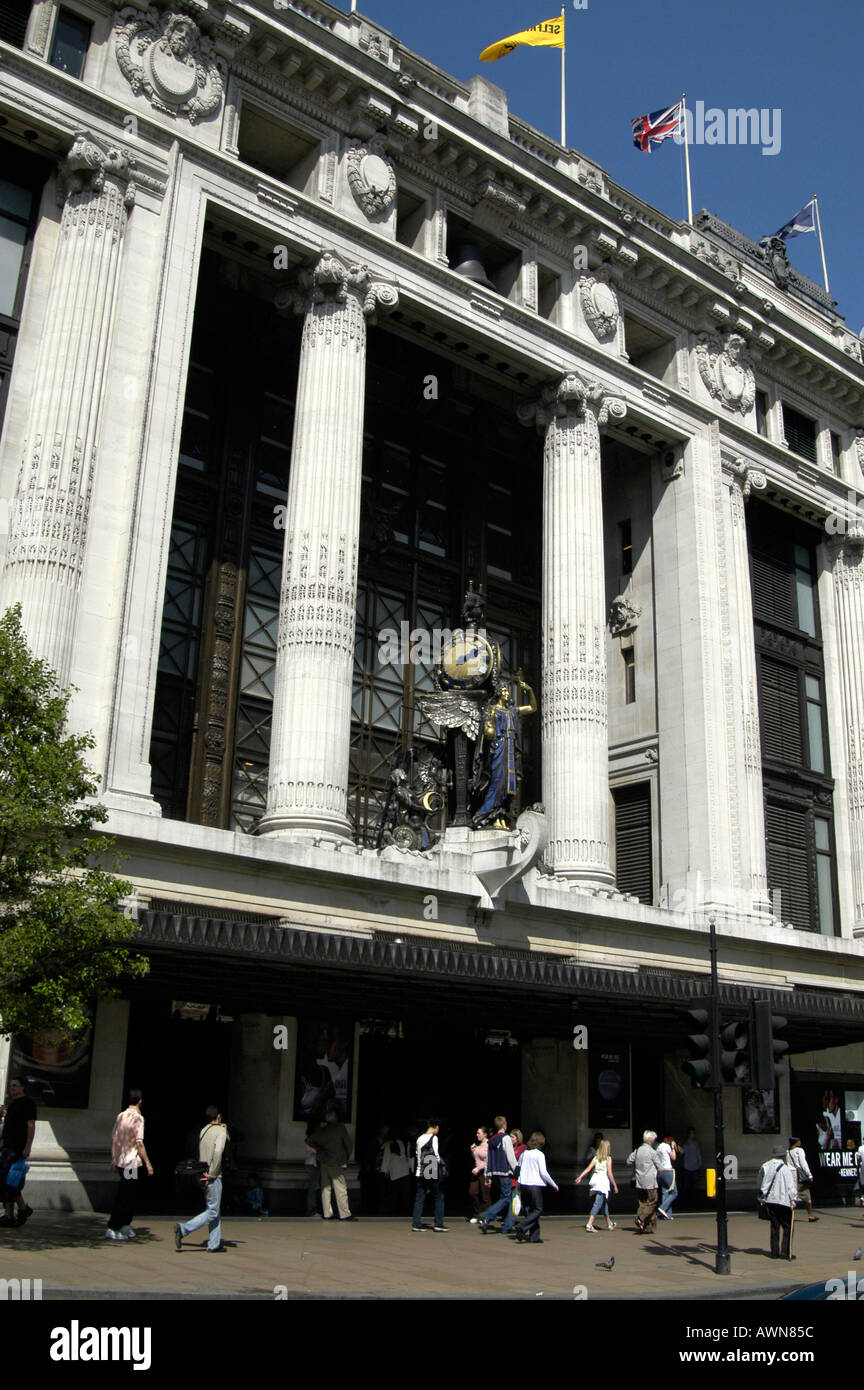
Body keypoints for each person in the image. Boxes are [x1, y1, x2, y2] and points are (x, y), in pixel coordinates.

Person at [106, 1088, 153, 1242]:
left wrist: (113, 1159)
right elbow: (139, 1143)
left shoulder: (121, 1116)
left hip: (121, 1160)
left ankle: (125, 1224)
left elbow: (114, 1138)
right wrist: (147, 1163)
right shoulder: (138, 1118)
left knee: (128, 1192)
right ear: (140, 1101)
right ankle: (114, 1226)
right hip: (131, 1162)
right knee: (126, 1194)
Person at [307, 1106, 356, 1221]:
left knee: (325, 1188)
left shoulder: (323, 1130)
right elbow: (349, 1145)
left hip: (324, 1162)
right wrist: (345, 1157)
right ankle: (344, 1213)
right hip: (337, 1162)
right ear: (334, 1117)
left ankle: (327, 1213)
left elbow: (309, 1140)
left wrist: (320, 1152)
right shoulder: (340, 1128)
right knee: (340, 1187)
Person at [0, 1078, 36, 1228]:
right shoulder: (12, 1104)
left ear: (22, 1087)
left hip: (17, 1148)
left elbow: (31, 1126)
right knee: (6, 1181)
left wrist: (28, 1146)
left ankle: (18, 1210)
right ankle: (14, 1212)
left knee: (10, 1180)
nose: (12, 1088)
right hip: (7, 1146)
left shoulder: (27, 1103)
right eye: (10, 1086)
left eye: (15, 1085)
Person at [510, 1132, 558, 1244]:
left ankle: (534, 1236)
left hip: (524, 1184)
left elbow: (518, 1169)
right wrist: (553, 1184)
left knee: (530, 1210)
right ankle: (522, 1226)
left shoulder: (524, 1154)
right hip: (535, 1185)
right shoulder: (539, 1155)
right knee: (538, 1209)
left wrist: (517, 1185)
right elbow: (544, 1172)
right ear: (541, 1143)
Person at [478, 1114, 517, 1234]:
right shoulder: (505, 1138)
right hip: (505, 1172)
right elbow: (510, 1157)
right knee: (506, 1198)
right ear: (504, 1125)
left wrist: (487, 1174)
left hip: (495, 1173)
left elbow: (489, 1159)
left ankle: (507, 1225)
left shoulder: (491, 1140)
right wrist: (517, 1170)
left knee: (506, 1197)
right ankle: (487, 1215)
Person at [759, 1150, 797, 1260]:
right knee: (788, 1227)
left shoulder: (765, 1166)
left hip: (771, 1200)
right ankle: (785, 1252)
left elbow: (760, 1181)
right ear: (783, 1156)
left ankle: (774, 1252)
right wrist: (793, 1201)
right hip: (783, 1201)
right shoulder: (785, 1169)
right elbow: (790, 1187)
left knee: (774, 1227)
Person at [411, 1119, 448, 1232]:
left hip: (420, 1172)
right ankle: (438, 1223)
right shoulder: (434, 1138)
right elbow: (436, 1155)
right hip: (432, 1172)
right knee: (439, 1196)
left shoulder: (419, 1139)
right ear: (435, 1127)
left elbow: (418, 1155)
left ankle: (416, 1224)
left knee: (419, 1198)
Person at [576, 1138, 618, 1231]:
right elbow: (610, 1173)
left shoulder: (596, 1158)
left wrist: (580, 1176)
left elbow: (588, 1169)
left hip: (596, 1179)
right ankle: (589, 1224)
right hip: (603, 1181)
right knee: (598, 1202)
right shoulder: (608, 1159)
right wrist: (615, 1185)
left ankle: (609, 1223)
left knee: (603, 1203)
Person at [627, 1130, 664, 1234]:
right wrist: (658, 1176)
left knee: (642, 1203)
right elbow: (660, 1168)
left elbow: (628, 1161)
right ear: (651, 1141)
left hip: (639, 1182)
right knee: (652, 1202)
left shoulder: (638, 1150)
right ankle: (641, 1218)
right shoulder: (652, 1152)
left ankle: (646, 1226)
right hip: (650, 1182)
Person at [785, 1137, 817, 1222]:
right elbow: (803, 1163)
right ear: (796, 1142)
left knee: (792, 1195)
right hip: (799, 1175)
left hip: (790, 1174)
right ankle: (810, 1215)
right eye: (799, 1141)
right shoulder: (799, 1150)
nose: (800, 1142)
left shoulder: (787, 1152)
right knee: (806, 1195)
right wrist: (809, 1175)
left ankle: (790, 1215)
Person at [468, 1125, 490, 1223]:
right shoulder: (479, 1145)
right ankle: (477, 1214)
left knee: (485, 1195)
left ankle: (485, 1216)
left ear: (485, 1134)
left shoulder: (488, 1145)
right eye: (477, 1133)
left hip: (484, 1171)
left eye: (479, 1133)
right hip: (476, 1172)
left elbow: (488, 1160)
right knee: (472, 1192)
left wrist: (479, 1168)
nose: (477, 1135)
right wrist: (473, 1151)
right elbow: (476, 1159)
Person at [657, 1133, 679, 1220]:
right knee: (674, 1193)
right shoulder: (666, 1146)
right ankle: (662, 1208)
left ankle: (667, 1215)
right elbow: (674, 1157)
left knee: (665, 1192)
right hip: (668, 1171)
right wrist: (673, 1147)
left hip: (661, 1172)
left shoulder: (658, 1147)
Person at [679, 1127, 702, 1206]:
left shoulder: (696, 1143)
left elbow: (698, 1154)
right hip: (686, 1167)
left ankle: (694, 1201)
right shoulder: (684, 1143)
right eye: (690, 1133)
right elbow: (681, 1152)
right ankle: (686, 1201)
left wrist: (699, 1164)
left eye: (692, 1133)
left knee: (694, 1186)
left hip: (695, 1166)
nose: (691, 1135)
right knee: (686, 1185)